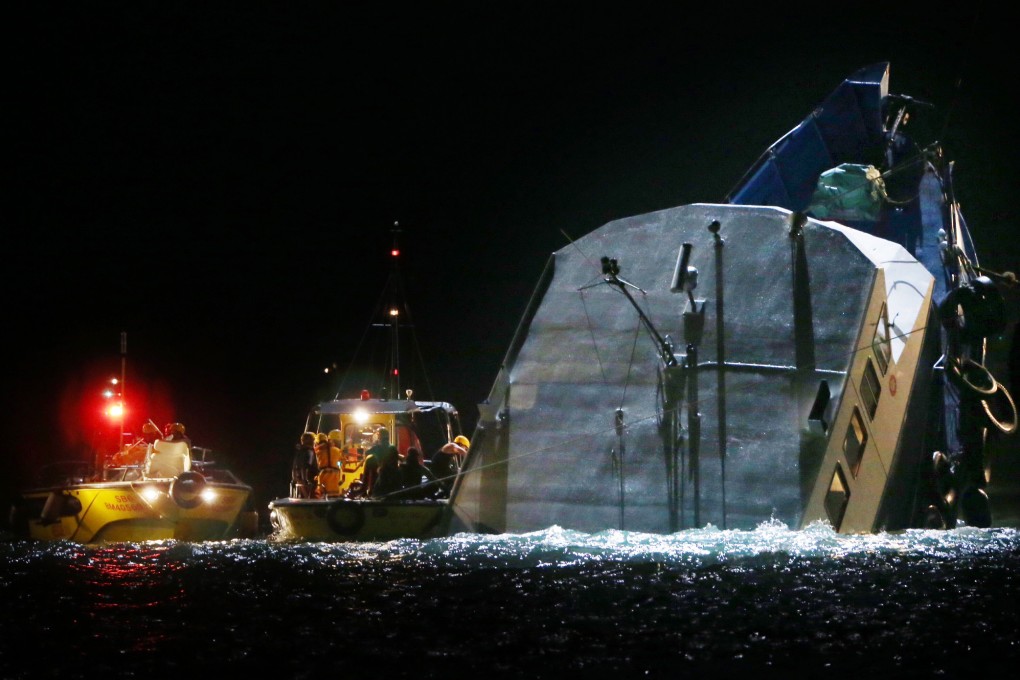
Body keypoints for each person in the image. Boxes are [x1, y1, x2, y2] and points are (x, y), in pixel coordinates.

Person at [362, 427, 399, 496]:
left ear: (380, 436)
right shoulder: (393, 448)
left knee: (369, 461)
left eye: (378, 435)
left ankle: (364, 488)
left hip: (381, 477)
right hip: (394, 480)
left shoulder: (377, 448)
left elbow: (366, 453)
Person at [291, 432, 317, 498]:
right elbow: (306, 467)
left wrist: (294, 479)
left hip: (299, 481)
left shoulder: (299, 452)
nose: (314, 442)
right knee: (310, 498)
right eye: (313, 440)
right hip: (308, 481)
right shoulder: (309, 452)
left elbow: (294, 467)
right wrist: (306, 481)